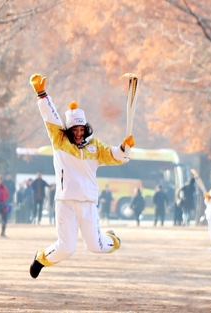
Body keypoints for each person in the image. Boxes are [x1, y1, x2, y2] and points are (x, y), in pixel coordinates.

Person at [28, 73, 134, 279]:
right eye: (74, 129)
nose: (78, 133)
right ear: (68, 130)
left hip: (87, 202)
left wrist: (125, 147)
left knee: (96, 246)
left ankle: (114, 239)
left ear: (85, 129)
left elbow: (118, 156)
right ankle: (41, 259)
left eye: (81, 129)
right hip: (65, 200)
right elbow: (50, 118)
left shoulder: (95, 147)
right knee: (66, 248)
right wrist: (42, 94)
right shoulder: (60, 142)